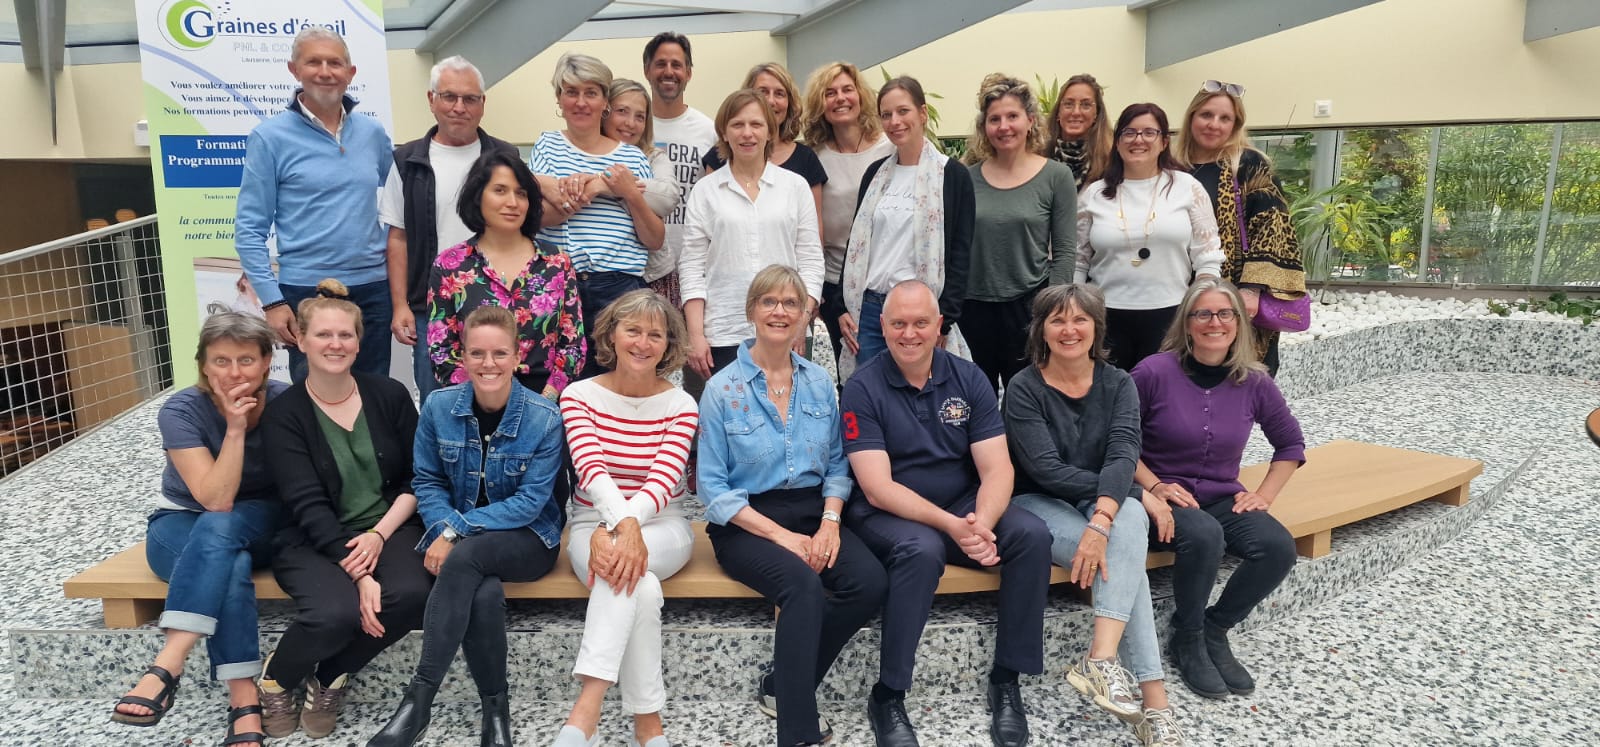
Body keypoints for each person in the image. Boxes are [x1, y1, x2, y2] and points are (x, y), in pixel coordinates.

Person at [841, 280, 1052, 747]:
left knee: (1032, 536)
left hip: (962, 506)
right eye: (899, 323)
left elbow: (997, 468)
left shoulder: (968, 378)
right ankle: (889, 694)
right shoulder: (862, 387)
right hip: (888, 513)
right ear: (883, 326)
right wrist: (954, 527)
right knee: (921, 550)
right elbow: (877, 488)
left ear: (939, 325)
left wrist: (981, 524)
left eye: (920, 323)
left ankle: (1006, 679)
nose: (909, 334)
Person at [700, 265, 888, 747]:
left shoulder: (821, 382)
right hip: (746, 522)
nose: (780, 311)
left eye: (791, 303)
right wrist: (783, 538)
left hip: (812, 510)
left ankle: (780, 685)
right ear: (751, 311)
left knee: (869, 583)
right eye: (769, 301)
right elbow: (713, 490)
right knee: (803, 585)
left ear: (806, 315)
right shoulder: (722, 389)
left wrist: (829, 524)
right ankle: (798, 731)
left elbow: (837, 464)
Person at [368, 306, 567, 747]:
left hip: (529, 537)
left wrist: (453, 530)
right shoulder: (439, 407)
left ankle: (418, 702)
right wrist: (446, 527)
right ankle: (496, 711)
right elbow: (428, 481)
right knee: (484, 593)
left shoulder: (544, 417)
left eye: (499, 353)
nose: (488, 363)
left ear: (518, 356)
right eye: (477, 353)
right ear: (462, 357)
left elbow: (530, 503)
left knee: (468, 556)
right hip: (458, 540)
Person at [1003, 284, 1187, 747]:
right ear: (1041, 330)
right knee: (1128, 552)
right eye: (1057, 320)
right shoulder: (1024, 388)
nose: (1069, 330)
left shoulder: (1118, 383)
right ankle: (1155, 705)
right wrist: (1132, 494)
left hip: (1096, 503)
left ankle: (1103, 660)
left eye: (1079, 319)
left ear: (1096, 326)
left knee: (1125, 532)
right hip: (1035, 502)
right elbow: (1046, 470)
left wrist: (1104, 516)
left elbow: (1124, 452)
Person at [257, 281, 433, 739]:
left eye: (345, 335)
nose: (335, 344)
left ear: (359, 341)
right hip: (313, 537)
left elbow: (419, 477)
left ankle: (332, 673)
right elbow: (307, 504)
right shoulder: (284, 414)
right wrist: (361, 575)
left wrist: (378, 536)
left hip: (388, 526)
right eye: (323, 335)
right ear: (301, 340)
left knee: (413, 594)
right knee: (334, 614)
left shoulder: (390, 394)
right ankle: (277, 678)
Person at [110, 312, 286, 747]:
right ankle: (243, 698)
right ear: (204, 365)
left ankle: (168, 664)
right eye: (221, 361)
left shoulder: (288, 402)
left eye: (246, 360)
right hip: (183, 522)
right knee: (229, 558)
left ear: (267, 361)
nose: (234, 372)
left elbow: (228, 507)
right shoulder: (181, 410)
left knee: (224, 534)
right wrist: (235, 430)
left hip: (262, 520)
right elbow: (213, 498)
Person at [1130, 278, 1304, 702]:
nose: (1215, 322)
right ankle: (1187, 636)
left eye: (1225, 313)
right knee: (1205, 535)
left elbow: (1290, 444)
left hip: (1223, 496)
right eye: (1203, 314)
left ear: (1239, 322)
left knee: (1278, 547)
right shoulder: (1152, 372)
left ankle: (1215, 627)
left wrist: (1264, 495)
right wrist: (1154, 486)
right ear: (1187, 323)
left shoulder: (1255, 381)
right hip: (1160, 499)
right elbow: (1118, 441)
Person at [553, 290, 699, 747]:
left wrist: (618, 527)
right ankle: (648, 722)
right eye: (632, 330)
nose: (643, 343)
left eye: (655, 334)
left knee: (621, 565)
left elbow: (663, 481)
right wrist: (612, 526)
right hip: (590, 524)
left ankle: (586, 712)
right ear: (611, 335)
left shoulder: (681, 404)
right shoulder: (579, 396)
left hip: (665, 526)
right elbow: (591, 471)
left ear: (668, 343)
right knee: (642, 585)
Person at [236, 27, 392, 380]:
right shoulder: (269, 138)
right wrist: (273, 301)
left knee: (374, 393)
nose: (325, 71)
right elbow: (249, 229)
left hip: (372, 290)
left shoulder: (372, 133)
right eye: (313, 62)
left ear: (350, 73)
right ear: (294, 70)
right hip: (305, 292)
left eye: (335, 63)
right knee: (316, 397)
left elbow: (401, 200)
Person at [382, 55, 520, 402]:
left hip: (499, 303)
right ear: (432, 100)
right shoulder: (407, 161)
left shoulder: (506, 157)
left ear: (482, 104)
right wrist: (400, 305)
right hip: (431, 308)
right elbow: (398, 238)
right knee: (439, 402)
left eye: (469, 98)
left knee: (500, 400)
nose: (459, 107)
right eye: (449, 97)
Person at [831, 75, 974, 380]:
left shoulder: (952, 176)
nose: (894, 121)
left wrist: (944, 319)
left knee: (922, 394)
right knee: (870, 394)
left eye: (903, 111)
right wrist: (841, 306)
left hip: (920, 315)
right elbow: (857, 243)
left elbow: (961, 253)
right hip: (870, 312)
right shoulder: (875, 174)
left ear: (922, 113)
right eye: (886, 114)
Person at [531, 53, 663, 376]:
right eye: (571, 92)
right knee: (560, 382)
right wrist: (597, 187)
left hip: (620, 287)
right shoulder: (547, 145)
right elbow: (537, 217)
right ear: (559, 98)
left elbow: (654, 238)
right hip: (560, 283)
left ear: (605, 101)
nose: (581, 102)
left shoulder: (632, 157)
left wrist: (628, 192)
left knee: (623, 382)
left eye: (591, 93)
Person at [680, 89, 824, 382]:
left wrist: (802, 321)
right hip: (724, 332)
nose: (747, 133)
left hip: (786, 329)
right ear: (724, 132)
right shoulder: (705, 191)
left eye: (756, 124)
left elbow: (811, 260)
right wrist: (695, 334)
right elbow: (692, 266)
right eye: (737, 124)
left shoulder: (795, 187)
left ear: (770, 131)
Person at [1076, 103, 1224, 371]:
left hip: (1172, 315)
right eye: (1129, 132)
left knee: (1163, 391)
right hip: (1105, 316)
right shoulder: (1094, 193)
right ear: (1117, 142)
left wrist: (1200, 301)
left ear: (1164, 141)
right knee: (1111, 392)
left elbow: (1208, 254)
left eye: (1149, 132)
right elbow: (1078, 259)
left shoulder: (1187, 187)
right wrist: (1075, 308)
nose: (1138, 140)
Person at [427, 151, 586, 399]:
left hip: (544, 399)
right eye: (500, 190)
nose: (513, 202)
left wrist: (545, 400)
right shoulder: (450, 265)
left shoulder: (556, 262)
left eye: (521, 193)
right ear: (477, 196)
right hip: (473, 397)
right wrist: (483, 399)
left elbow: (573, 344)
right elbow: (441, 350)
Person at [1175, 81, 1307, 375]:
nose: (1214, 124)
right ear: (1191, 117)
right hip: (1178, 291)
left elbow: (1273, 228)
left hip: (1233, 292)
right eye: (1206, 115)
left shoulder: (1248, 165)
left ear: (1235, 125)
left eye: (1225, 118)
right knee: (1185, 373)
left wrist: (1251, 289)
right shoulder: (1173, 167)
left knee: (1239, 374)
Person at [963, 74, 1078, 393]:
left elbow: (1065, 252)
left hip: (1029, 306)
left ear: (1030, 120)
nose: (1004, 126)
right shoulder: (966, 179)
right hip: (973, 308)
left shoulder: (1056, 177)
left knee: (1027, 397)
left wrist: (1052, 311)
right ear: (984, 126)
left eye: (1012, 116)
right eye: (994, 119)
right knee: (976, 399)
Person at [803, 61, 896, 358]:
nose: (840, 98)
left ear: (860, 95)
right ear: (820, 103)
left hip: (883, 278)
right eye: (830, 93)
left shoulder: (890, 148)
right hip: (836, 284)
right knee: (852, 366)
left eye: (847, 90)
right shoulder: (814, 156)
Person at [642, 32, 717, 308]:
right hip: (642, 266)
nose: (669, 71)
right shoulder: (632, 127)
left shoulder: (709, 131)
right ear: (647, 70)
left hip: (694, 265)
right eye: (661, 64)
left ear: (688, 73)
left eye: (677, 64)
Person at [703, 63, 828, 220]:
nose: (770, 101)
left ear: (789, 103)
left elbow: (813, 228)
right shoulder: (720, 155)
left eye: (779, 94)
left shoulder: (806, 159)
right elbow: (706, 216)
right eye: (763, 92)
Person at [603, 78, 685, 245]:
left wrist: (614, 186)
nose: (630, 123)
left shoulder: (653, 157)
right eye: (622, 111)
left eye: (640, 117)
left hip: (648, 261)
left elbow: (669, 197)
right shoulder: (581, 151)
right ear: (604, 111)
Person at [1045, 74, 1114, 190]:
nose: (1076, 112)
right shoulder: (1037, 155)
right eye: (1068, 104)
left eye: (1086, 105)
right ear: (1058, 112)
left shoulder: (1111, 161)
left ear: (1096, 114)